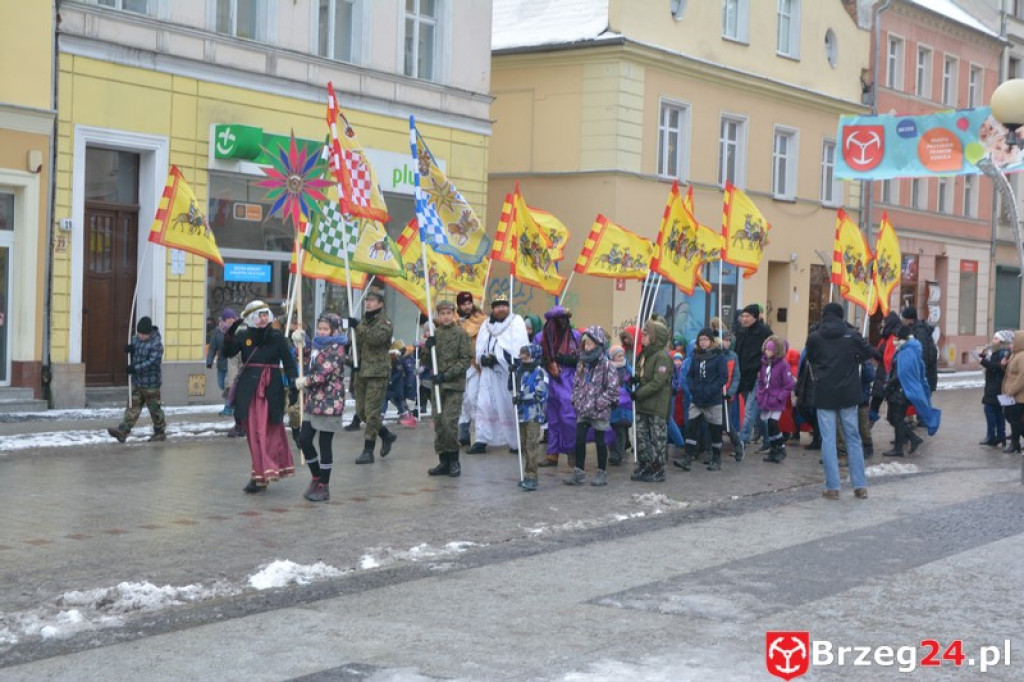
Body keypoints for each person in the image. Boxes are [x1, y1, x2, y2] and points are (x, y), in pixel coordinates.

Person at [222, 301, 299, 493]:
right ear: (250, 318)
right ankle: (259, 475)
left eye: (266, 314)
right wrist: (230, 333)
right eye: (259, 315)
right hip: (249, 392)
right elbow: (227, 352)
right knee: (254, 433)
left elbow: (289, 362)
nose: (263, 318)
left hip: (271, 390)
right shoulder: (243, 335)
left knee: (269, 432)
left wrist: (293, 383)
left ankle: (267, 470)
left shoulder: (276, 336)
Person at [805, 303, 879, 499]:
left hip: (824, 394)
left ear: (824, 315)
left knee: (828, 440)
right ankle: (860, 486)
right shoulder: (852, 335)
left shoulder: (815, 337)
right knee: (853, 438)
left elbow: (811, 358)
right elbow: (868, 352)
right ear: (841, 315)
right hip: (848, 393)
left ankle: (833, 487)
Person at [294, 312, 347, 502]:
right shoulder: (317, 345)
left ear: (334, 330)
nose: (322, 332)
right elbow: (305, 360)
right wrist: (301, 343)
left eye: (326, 329)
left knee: (325, 444)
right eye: (320, 328)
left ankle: (324, 485)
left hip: (330, 402)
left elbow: (322, 373)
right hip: (313, 400)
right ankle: (316, 476)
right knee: (304, 439)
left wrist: (304, 382)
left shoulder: (337, 348)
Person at [472, 297, 529, 453]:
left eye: (504, 305)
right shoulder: (486, 325)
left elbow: (519, 347)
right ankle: (481, 440)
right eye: (498, 306)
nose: (501, 309)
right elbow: (480, 346)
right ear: (493, 308)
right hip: (488, 373)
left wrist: (499, 357)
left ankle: (515, 442)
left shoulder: (516, 322)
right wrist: (482, 358)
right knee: (484, 404)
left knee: (508, 405)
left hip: (506, 372)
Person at [425, 300, 474, 477]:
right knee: (439, 423)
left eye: (448, 313)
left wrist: (446, 375)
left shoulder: (460, 333)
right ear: (438, 316)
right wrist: (427, 347)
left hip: (453, 385)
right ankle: (443, 461)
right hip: (438, 387)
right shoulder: (435, 334)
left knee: (449, 422)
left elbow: (465, 360)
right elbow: (426, 360)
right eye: (442, 313)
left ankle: (454, 460)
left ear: (453, 314)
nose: (445, 316)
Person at [564, 325, 619, 486]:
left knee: (600, 441)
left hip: (599, 410)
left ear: (598, 343)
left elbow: (613, 390)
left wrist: (598, 403)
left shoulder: (607, 366)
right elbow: (576, 384)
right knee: (579, 439)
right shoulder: (582, 364)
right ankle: (578, 472)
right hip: (583, 408)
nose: (586, 347)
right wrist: (575, 400)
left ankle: (602, 472)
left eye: (589, 344)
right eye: (585, 345)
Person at [351, 289, 398, 464]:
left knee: (372, 412)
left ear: (380, 304)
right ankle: (386, 435)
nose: (368, 303)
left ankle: (368, 450)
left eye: (372, 301)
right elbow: (358, 343)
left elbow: (375, 339)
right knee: (362, 412)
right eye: (367, 300)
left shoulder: (384, 322)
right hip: (362, 370)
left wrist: (357, 326)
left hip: (377, 372)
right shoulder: (364, 320)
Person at [883, 325, 941, 456]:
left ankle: (900, 447)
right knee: (893, 418)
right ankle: (912, 439)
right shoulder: (908, 349)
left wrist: (889, 384)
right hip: (901, 389)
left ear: (902, 338)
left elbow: (902, 373)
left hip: (902, 390)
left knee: (896, 418)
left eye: (896, 338)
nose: (894, 340)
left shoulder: (907, 351)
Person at [675, 327, 727, 471]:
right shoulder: (696, 357)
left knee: (715, 429)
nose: (703, 342)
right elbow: (690, 375)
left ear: (711, 341)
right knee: (692, 427)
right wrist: (694, 389)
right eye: (701, 340)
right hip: (697, 398)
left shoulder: (719, 357)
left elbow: (722, 377)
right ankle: (687, 458)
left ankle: (716, 458)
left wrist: (710, 390)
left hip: (712, 399)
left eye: (705, 339)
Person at [107, 316, 167, 443]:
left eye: (143, 334)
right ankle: (123, 431)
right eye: (139, 333)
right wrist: (129, 350)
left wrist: (135, 368)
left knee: (155, 409)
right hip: (137, 382)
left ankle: (160, 432)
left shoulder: (156, 344)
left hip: (151, 384)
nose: (140, 336)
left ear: (149, 333)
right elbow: (133, 351)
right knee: (132, 407)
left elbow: (151, 362)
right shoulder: (135, 339)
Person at [537, 305, 580, 467]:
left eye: (565, 319)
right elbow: (537, 356)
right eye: (559, 320)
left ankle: (572, 452)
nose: (563, 323)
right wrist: (548, 362)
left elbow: (580, 358)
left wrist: (563, 360)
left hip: (568, 380)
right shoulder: (542, 337)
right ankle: (552, 454)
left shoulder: (575, 336)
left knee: (568, 417)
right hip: (550, 380)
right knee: (553, 419)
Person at [630, 317, 673, 482]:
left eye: (647, 335)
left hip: (656, 404)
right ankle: (645, 463)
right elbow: (641, 373)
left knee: (657, 438)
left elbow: (657, 382)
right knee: (642, 436)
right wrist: (634, 378)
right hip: (643, 404)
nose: (644, 338)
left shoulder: (662, 356)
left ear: (656, 338)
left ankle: (658, 467)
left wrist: (639, 393)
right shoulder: (645, 354)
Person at [733, 304, 773, 447]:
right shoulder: (741, 331)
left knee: (750, 410)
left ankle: (741, 442)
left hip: (757, 376)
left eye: (747, 316)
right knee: (757, 412)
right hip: (743, 376)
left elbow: (772, 352)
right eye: (743, 316)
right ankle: (769, 440)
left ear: (755, 317)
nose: (744, 319)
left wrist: (763, 368)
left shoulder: (764, 331)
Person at [456, 291, 489, 447]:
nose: (467, 306)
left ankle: (479, 435)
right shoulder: (454, 320)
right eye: (464, 304)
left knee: (473, 397)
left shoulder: (481, 320)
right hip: (459, 365)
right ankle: (463, 432)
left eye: (469, 303)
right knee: (462, 399)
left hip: (475, 364)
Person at [515, 343, 549, 491]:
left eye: (527, 356)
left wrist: (522, 397)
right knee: (523, 444)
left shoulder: (540, 372)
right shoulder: (520, 372)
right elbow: (514, 388)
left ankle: (532, 476)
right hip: (522, 414)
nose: (524, 359)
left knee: (532, 445)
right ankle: (526, 474)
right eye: (522, 356)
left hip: (534, 414)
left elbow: (540, 394)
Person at [757, 336, 796, 463]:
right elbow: (762, 380)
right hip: (767, 398)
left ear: (776, 352)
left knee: (773, 423)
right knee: (769, 424)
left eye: (769, 350)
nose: (766, 352)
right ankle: (774, 450)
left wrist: (780, 397)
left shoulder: (783, 365)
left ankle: (781, 448)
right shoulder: (765, 364)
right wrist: (760, 393)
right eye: (766, 350)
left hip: (777, 399)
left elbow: (789, 384)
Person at [979, 330, 1014, 447]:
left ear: (1001, 341)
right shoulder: (999, 351)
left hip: (996, 386)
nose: (993, 340)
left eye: (995, 338)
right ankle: (1001, 436)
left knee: (989, 410)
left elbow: (996, 367)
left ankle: (992, 437)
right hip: (996, 385)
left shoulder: (1002, 352)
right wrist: (982, 357)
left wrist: (983, 361)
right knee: (999, 412)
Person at [900, 306, 938, 392]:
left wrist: (920, 374)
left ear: (910, 320)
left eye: (904, 319)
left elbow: (923, 355)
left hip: (924, 377)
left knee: (923, 403)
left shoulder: (920, 332)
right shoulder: (914, 330)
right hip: (921, 376)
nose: (903, 321)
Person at [207, 308, 237, 416]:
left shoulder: (237, 331)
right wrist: (209, 360)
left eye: (233, 320)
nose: (231, 322)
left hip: (232, 365)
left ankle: (228, 408)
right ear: (224, 320)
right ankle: (233, 403)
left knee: (228, 386)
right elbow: (212, 347)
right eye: (229, 320)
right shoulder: (217, 332)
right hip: (221, 364)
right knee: (221, 385)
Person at [720, 331, 744, 460]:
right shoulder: (716, 354)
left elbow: (736, 377)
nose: (726, 343)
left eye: (728, 340)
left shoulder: (733, 356)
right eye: (724, 340)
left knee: (726, 423)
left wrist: (730, 393)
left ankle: (737, 444)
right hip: (715, 394)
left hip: (727, 395)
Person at [607, 345, 633, 466]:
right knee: (612, 430)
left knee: (621, 429)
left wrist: (631, 383)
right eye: (618, 356)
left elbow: (632, 386)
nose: (621, 358)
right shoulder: (607, 369)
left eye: (622, 355)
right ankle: (614, 451)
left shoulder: (628, 369)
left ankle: (617, 454)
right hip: (612, 404)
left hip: (624, 406)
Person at [384, 340, 417, 428]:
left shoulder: (406, 359)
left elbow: (409, 373)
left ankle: (408, 416)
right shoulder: (402, 358)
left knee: (399, 400)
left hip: (404, 384)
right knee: (399, 400)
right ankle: (406, 415)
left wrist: (409, 384)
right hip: (401, 383)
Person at [1001, 331, 1024, 453]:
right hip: (1011, 395)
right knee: (1010, 417)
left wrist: (1011, 391)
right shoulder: (1015, 354)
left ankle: (1015, 444)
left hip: (1018, 396)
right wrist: (1004, 365)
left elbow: (1022, 377)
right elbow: (1011, 372)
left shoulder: (1022, 356)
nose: (1012, 343)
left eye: (1014, 340)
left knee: (1015, 419)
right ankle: (1015, 442)